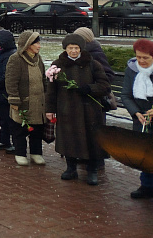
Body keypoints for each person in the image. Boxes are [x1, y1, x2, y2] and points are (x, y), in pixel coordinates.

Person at [45, 34, 110, 186]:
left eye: (76, 48)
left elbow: (105, 85)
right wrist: (50, 109)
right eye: (70, 48)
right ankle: (71, 168)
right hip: (66, 109)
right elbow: (51, 90)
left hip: (89, 111)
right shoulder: (57, 65)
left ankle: (92, 170)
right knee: (69, 138)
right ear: (65, 49)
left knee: (91, 140)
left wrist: (90, 88)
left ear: (81, 49)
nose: (73, 51)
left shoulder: (92, 64)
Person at [5, 31, 46, 166]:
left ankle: (36, 153)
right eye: (37, 43)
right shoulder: (16, 59)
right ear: (28, 45)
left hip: (38, 103)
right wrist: (14, 99)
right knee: (20, 129)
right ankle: (20, 153)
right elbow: (11, 81)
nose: (39, 46)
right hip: (23, 102)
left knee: (37, 129)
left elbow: (43, 79)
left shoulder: (38, 59)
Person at [122, 38, 153, 199]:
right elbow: (126, 95)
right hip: (141, 119)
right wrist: (135, 112)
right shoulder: (132, 69)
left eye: (145, 58)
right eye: (139, 57)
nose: (141, 61)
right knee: (145, 154)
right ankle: (147, 185)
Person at [0, 29, 17, 152]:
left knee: (10, 119)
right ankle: (4, 140)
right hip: (0, 93)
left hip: (6, 92)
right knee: (3, 118)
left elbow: (7, 75)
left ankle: (15, 143)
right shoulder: (2, 53)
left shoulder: (10, 55)